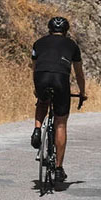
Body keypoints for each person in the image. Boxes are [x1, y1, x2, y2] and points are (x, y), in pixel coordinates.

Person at [30, 16, 86, 187]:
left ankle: (38, 129)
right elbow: (78, 73)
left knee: (42, 101)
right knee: (61, 124)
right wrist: (82, 92)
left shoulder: (38, 43)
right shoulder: (72, 45)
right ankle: (59, 168)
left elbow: (34, 66)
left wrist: (36, 86)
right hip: (60, 79)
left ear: (49, 29)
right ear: (66, 31)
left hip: (41, 76)